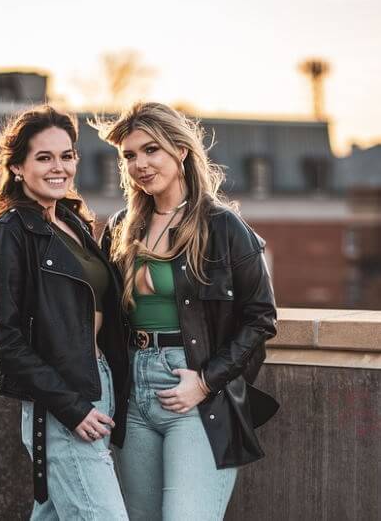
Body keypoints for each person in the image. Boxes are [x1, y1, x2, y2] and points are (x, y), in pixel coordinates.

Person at [96, 102, 279, 521]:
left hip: (196, 395)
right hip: (132, 397)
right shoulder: (122, 228)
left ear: (181, 151)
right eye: (129, 156)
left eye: (151, 150)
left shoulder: (224, 227)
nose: (139, 164)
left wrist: (206, 381)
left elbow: (261, 316)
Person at [0, 105, 129, 520]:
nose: (60, 167)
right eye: (44, 157)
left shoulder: (73, 221)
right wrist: (71, 407)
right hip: (64, 402)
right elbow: (4, 340)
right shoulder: (7, 233)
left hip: (97, 380)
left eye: (67, 155)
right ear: (17, 166)